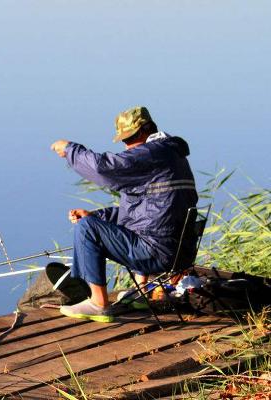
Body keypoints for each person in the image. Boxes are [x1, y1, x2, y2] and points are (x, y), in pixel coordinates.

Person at [50, 106, 198, 322]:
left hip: (156, 253)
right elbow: (146, 211)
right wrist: (96, 215)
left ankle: (99, 304)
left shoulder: (152, 153)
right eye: (123, 140)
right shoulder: (171, 155)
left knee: (86, 228)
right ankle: (142, 291)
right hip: (179, 253)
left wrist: (71, 150)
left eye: (130, 138)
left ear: (146, 130)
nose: (127, 146)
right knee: (92, 222)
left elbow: (104, 168)